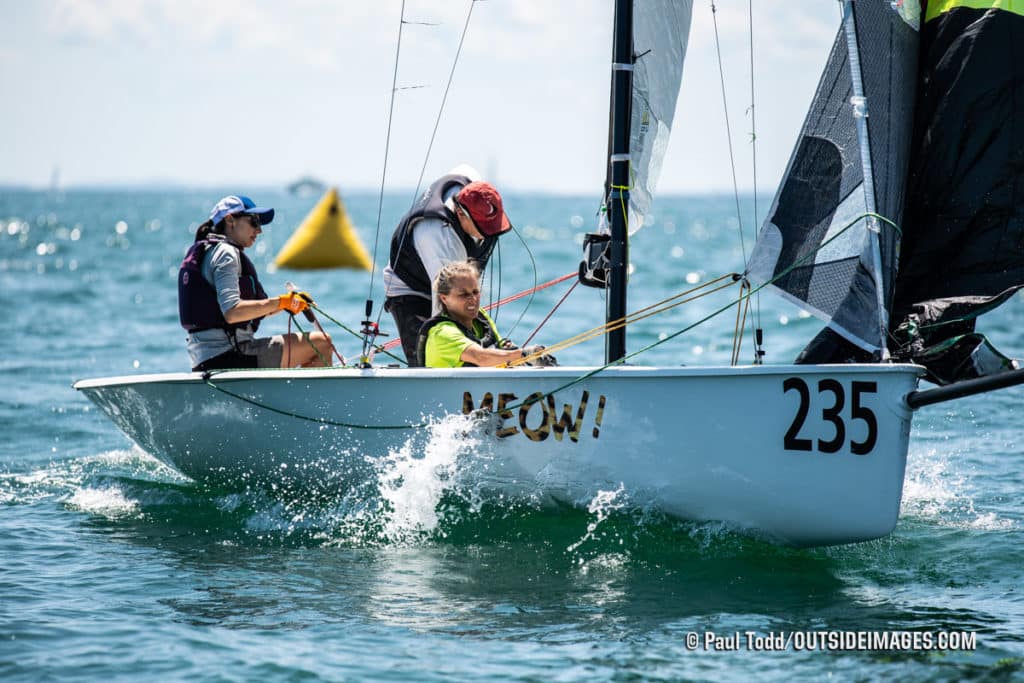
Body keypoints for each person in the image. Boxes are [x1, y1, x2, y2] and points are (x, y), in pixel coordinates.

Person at [178, 194, 335, 372]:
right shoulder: (225, 253)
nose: (259, 230)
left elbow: (243, 311)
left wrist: (287, 303)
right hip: (231, 355)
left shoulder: (209, 251)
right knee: (323, 343)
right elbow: (232, 312)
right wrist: (281, 302)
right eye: (253, 222)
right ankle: (310, 391)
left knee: (319, 343)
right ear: (230, 220)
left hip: (206, 359)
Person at [383, 165, 513, 366]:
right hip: (410, 289)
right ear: (461, 213)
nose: (489, 234)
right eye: (484, 229)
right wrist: (468, 350)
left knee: (471, 321)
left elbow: (465, 168)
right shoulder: (439, 237)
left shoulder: (471, 188)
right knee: (431, 352)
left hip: (451, 283)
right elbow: (443, 312)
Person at [417, 261, 556, 369]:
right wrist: (525, 354)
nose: (473, 299)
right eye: (463, 294)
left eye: (475, 292)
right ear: (444, 298)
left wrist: (513, 350)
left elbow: (499, 347)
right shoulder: (443, 333)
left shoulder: (481, 317)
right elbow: (480, 357)